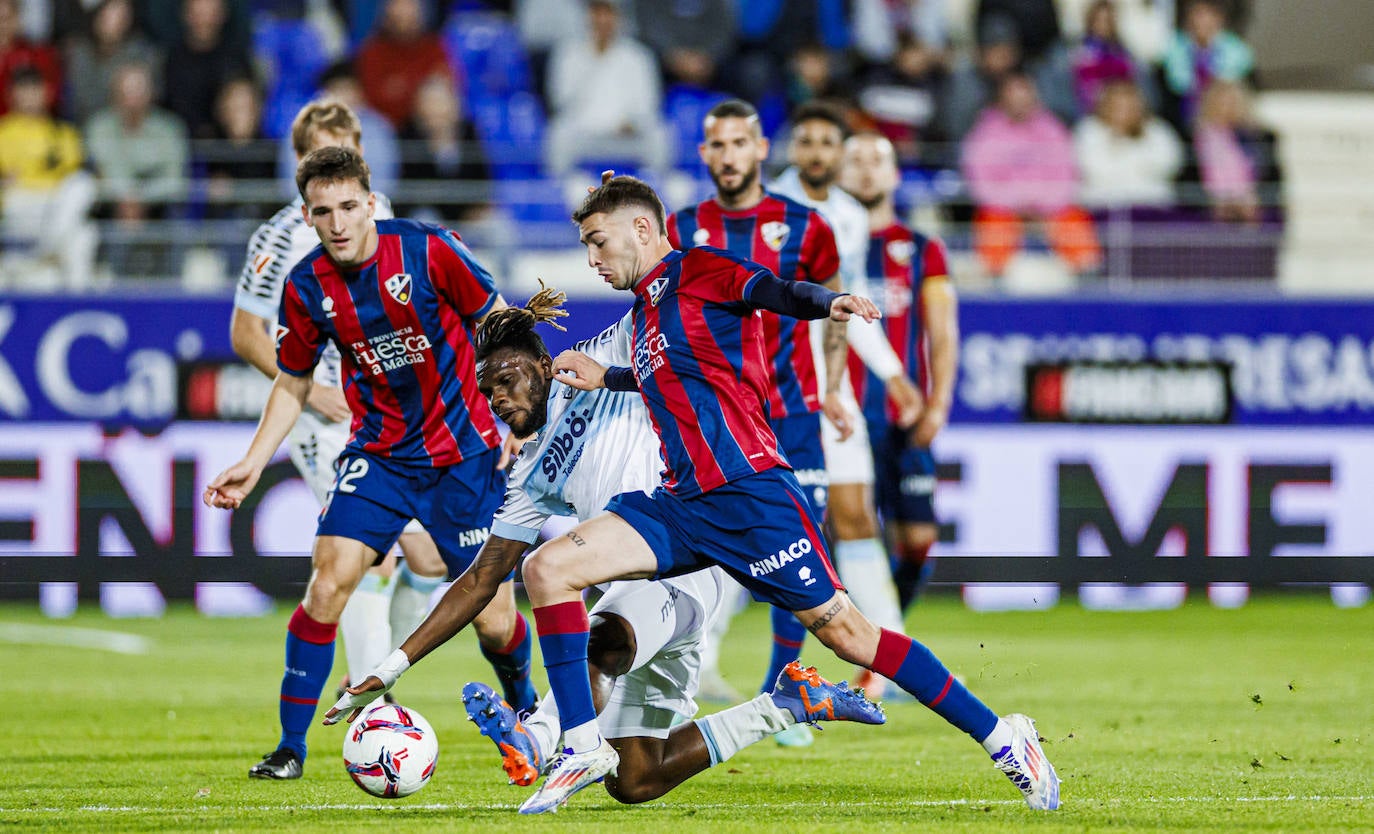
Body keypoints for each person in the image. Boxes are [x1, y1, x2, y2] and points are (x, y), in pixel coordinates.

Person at [513, 173, 1060, 813]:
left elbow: (769, 289)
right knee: (548, 569)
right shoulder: (648, 313)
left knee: (851, 637)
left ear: (641, 227)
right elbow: (678, 381)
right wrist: (605, 375)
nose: (592, 260)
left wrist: (827, 302)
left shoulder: (699, 268)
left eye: (598, 242)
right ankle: (581, 744)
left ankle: (1004, 736)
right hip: (682, 502)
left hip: (750, 496)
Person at [324, 286, 884, 804]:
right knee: (637, 778)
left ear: (544, 365)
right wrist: (391, 668)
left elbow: (661, 292)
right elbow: (480, 578)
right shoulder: (531, 473)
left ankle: (538, 739)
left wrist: (620, 221)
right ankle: (787, 706)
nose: (497, 398)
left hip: (689, 558)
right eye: (487, 389)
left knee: (601, 640)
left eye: (508, 379)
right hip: (629, 585)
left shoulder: (599, 358)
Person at [204, 145, 530, 781]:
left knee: (495, 619)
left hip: (460, 458)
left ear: (371, 202)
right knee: (328, 583)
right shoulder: (305, 286)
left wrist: (517, 414)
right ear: (308, 213)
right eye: (322, 211)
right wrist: (252, 460)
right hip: (377, 455)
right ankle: (290, 748)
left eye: (349, 206)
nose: (338, 223)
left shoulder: (429, 250)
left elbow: (501, 324)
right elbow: (292, 383)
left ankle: (529, 718)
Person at [665, 97, 849, 735]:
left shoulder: (807, 226)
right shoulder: (679, 227)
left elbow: (831, 312)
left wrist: (838, 388)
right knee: (699, 550)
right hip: (714, 420)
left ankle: (784, 693)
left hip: (793, 412)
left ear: (761, 148)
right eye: (716, 145)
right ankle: (681, 679)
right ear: (703, 153)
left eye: (738, 143)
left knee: (803, 548)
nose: (727, 156)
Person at [771, 101, 921, 702]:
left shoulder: (849, 217)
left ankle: (890, 657)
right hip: (772, 389)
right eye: (805, 141)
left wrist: (884, 374)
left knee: (855, 514)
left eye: (828, 144)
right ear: (790, 148)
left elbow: (847, 306)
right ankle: (696, 656)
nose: (817, 154)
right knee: (753, 517)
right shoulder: (771, 209)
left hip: (827, 389)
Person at [841, 132, 958, 622]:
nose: (867, 171)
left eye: (878, 161)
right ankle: (876, 650)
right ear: (841, 174)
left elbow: (943, 334)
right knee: (854, 530)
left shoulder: (922, 249)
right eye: (857, 161)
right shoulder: (829, 245)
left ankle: (885, 639)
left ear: (894, 175)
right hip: (846, 416)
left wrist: (939, 405)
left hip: (904, 416)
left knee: (918, 540)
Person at [961, 72, 1100, 277]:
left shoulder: (1053, 130)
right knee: (992, 222)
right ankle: (994, 278)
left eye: (1025, 98)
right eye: (1013, 98)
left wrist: (1041, 207)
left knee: (1074, 218)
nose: (1020, 104)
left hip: (1050, 210)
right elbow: (980, 184)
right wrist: (1018, 205)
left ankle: (1087, 277)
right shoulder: (984, 134)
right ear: (1001, 100)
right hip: (1003, 210)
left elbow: (1067, 177)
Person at [543, 0, 671, 181]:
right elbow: (560, 100)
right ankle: (558, 187)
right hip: (585, 134)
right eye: (597, 13)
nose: (602, 20)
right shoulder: (569, 54)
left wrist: (631, 122)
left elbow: (648, 102)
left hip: (626, 134)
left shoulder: (638, 56)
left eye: (608, 13)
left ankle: (658, 185)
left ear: (619, 18)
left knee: (659, 134)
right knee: (558, 133)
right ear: (587, 17)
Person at [0, 65, 98, 289]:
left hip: (55, 205)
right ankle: (50, 249)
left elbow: (76, 176)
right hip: (20, 206)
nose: (30, 95)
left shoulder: (64, 132)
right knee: (80, 234)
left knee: (84, 227)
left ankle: (75, 300)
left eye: (35, 89)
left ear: (46, 92)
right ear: (11, 94)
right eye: (23, 89)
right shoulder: (3, 132)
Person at [1074, 78, 1183, 210]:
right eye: (1117, 105)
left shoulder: (1157, 129)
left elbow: (1168, 164)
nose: (1124, 111)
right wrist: (1137, 160)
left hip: (1153, 204)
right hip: (1101, 204)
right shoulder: (1088, 130)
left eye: (1129, 105)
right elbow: (1094, 169)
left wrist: (1121, 154)